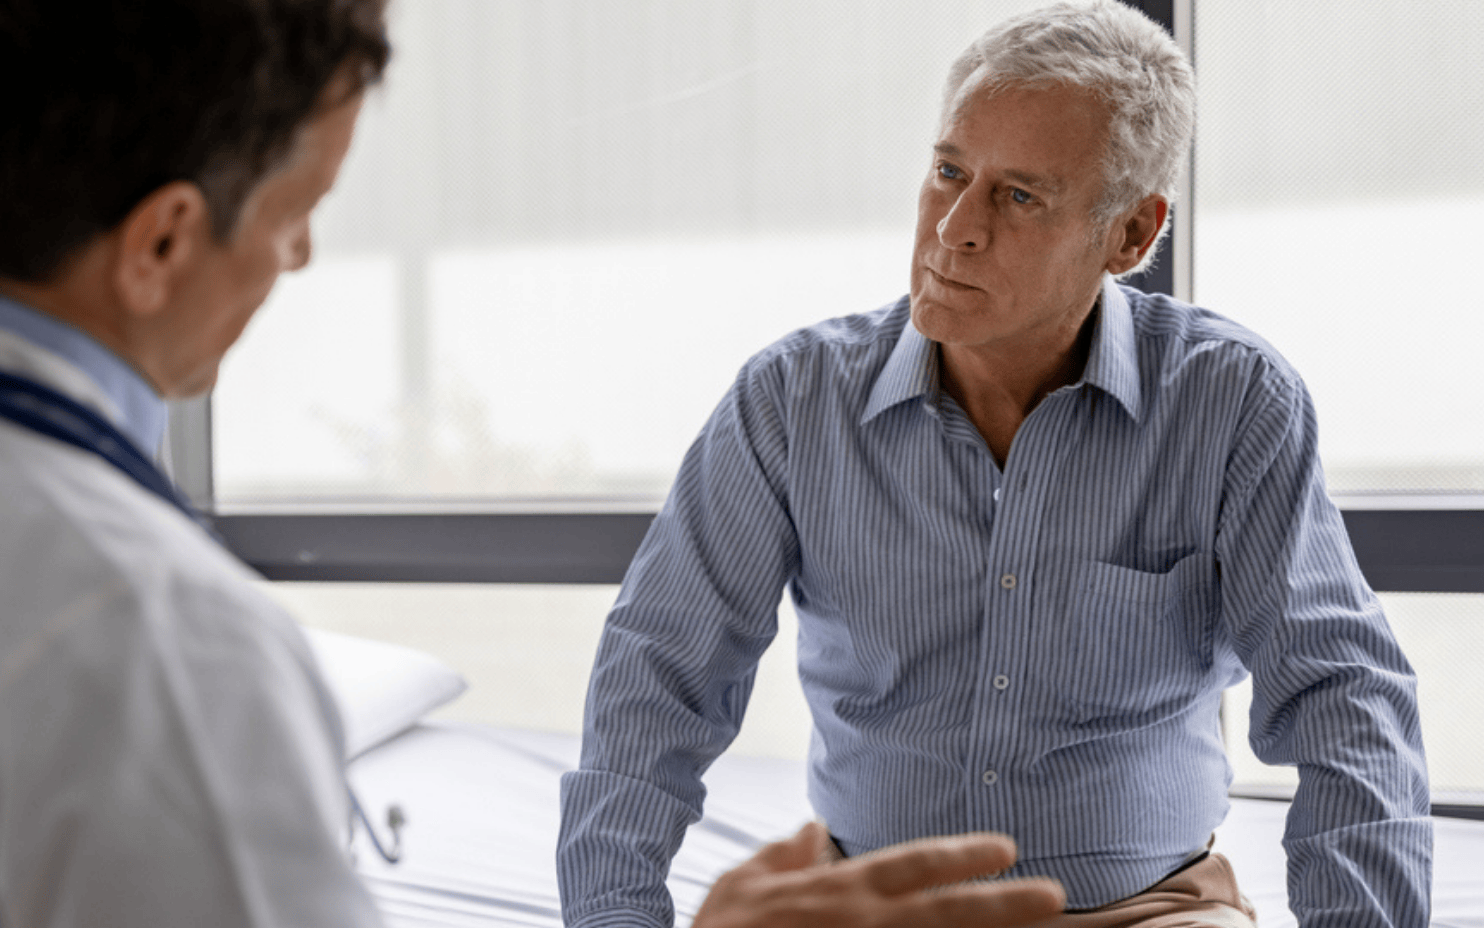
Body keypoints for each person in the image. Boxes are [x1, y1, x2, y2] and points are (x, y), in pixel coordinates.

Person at [0, 3, 1065, 926]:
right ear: (161, 246)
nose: (301, 257)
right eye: (298, 214)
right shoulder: (164, 648)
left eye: (1019, 196)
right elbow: (661, 672)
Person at [557, 2, 1432, 927]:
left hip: (1146, 910)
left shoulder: (1232, 401)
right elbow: (658, 680)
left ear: (1132, 235)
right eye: (949, 172)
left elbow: (1341, 697)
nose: (954, 228)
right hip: (873, 909)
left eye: (1019, 197)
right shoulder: (790, 400)